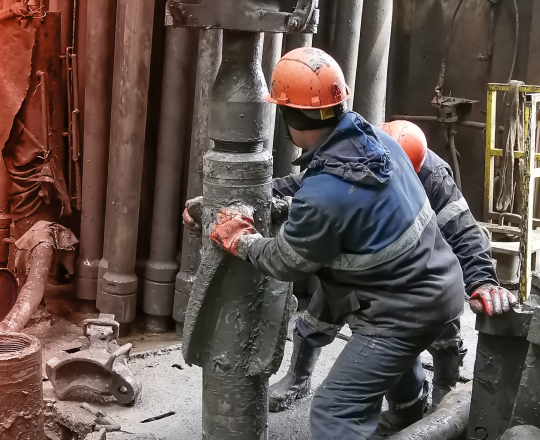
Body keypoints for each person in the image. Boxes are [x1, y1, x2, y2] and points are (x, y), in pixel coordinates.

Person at [204, 47, 470, 440]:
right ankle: (409, 419)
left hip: (400, 312)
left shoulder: (326, 195)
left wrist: (242, 240)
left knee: (334, 411)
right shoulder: (378, 143)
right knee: (393, 364)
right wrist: (266, 194)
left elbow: (285, 261)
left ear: (288, 116)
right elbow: (315, 185)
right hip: (441, 292)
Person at [269, 120, 516, 432]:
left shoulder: (433, 176)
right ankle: (297, 379)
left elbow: (465, 231)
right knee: (314, 322)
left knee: (438, 338)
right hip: (357, 269)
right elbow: (305, 183)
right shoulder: (367, 157)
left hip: (422, 276)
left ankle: (440, 395)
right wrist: (256, 192)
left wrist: (482, 279)